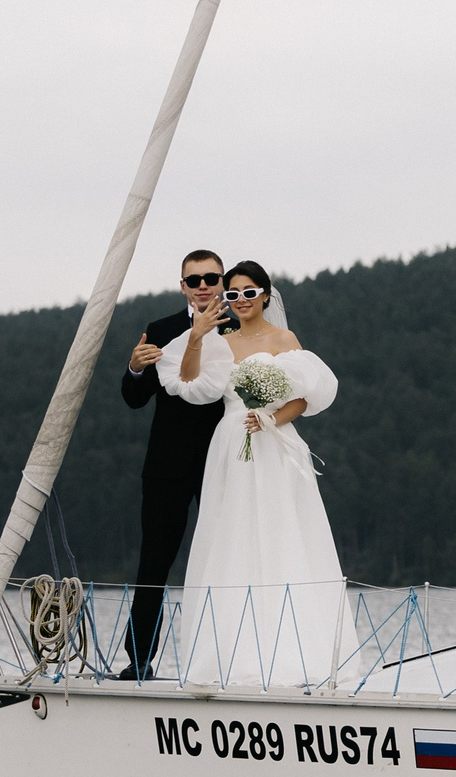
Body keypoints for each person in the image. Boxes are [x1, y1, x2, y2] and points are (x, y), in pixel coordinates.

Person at [162, 261, 346, 688]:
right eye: (233, 294)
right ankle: (232, 654)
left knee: (282, 533)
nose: (240, 301)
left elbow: (304, 398)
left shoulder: (284, 340)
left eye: (249, 292)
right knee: (233, 536)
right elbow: (189, 383)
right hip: (230, 442)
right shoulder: (219, 341)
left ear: (265, 294)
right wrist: (195, 337)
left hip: (272, 442)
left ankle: (295, 653)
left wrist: (271, 421)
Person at [117, 248, 228, 678]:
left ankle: (226, 661)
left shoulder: (239, 325)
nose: (203, 285)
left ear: (222, 281)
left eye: (211, 278)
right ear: (182, 285)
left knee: (227, 557)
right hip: (167, 465)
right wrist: (134, 368)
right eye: (194, 279)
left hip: (225, 460)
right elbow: (133, 399)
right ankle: (139, 661)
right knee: (154, 562)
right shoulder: (160, 329)